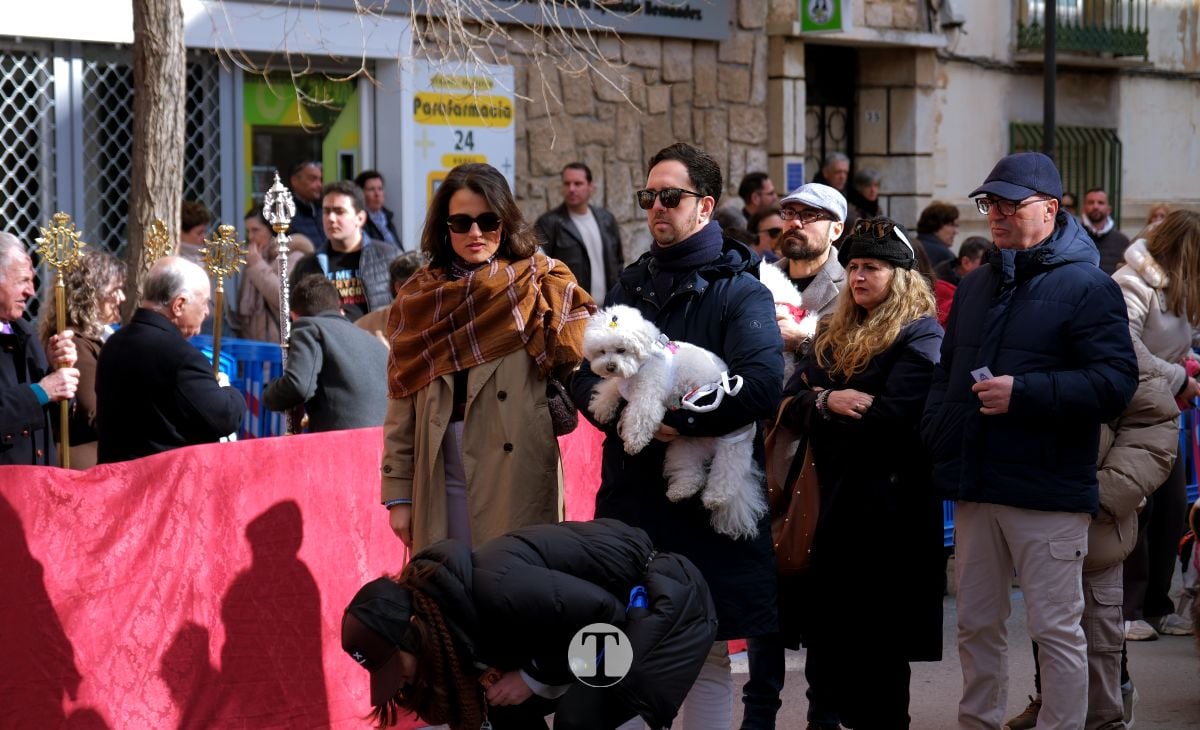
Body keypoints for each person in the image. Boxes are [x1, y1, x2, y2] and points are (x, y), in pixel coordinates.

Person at [568, 142, 782, 728]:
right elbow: (594, 374)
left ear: (705, 206)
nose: (656, 207)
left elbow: (763, 382)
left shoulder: (742, 290)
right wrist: (616, 413)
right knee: (625, 653)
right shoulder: (630, 284)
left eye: (670, 196)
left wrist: (678, 420)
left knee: (708, 656)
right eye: (648, 197)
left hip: (704, 503)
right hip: (632, 501)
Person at [923, 152, 1138, 730]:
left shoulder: (1090, 287)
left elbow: (1116, 384)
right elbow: (946, 374)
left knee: (1055, 630)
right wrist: (938, 438)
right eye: (989, 202)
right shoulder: (976, 285)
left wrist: (1027, 392)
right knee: (975, 624)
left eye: (1010, 203)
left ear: (1050, 207)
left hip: (1047, 489)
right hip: (977, 484)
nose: (995, 214)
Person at [774, 217, 944, 728]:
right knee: (827, 642)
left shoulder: (922, 333)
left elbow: (895, 416)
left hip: (890, 515)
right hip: (829, 504)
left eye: (872, 266)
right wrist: (829, 399)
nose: (858, 277)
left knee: (882, 650)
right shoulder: (832, 330)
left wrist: (822, 402)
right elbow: (791, 398)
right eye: (851, 267)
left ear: (901, 274)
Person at [381, 162, 594, 551]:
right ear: (444, 228)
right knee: (448, 590)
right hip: (439, 467)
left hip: (518, 469)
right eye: (460, 223)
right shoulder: (417, 298)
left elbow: (582, 362)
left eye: (487, 221)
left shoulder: (543, 282)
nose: (475, 233)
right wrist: (399, 493)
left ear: (506, 222)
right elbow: (401, 399)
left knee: (514, 589)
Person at [341, 519, 718, 730]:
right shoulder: (446, 614)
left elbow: (606, 615)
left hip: (661, 600)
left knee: (579, 720)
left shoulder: (495, 587)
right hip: (610, 623)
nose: (400, 681)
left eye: (395, 666)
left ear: (411, 628)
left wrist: (532, 677)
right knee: (501, 704)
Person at [1004, 345, 1179, 730]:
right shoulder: (1021, 323)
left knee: (1099, 627)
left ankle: (1111, 704)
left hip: (1096, 511)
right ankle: (1050, 697)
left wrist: (1102, 495)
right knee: (1046, 619)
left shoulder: (1106, 325)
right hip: (1037, 504)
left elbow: (1153, 422)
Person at [745, 181, 848, 730]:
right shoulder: (756, 279)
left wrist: (801, 339)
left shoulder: (851, 286)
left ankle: (822, 717)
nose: (796, 223)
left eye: (811, 215)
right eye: (789, 213)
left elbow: (859, 351)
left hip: (822, 457)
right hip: (756, 453)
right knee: (763, 588)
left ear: (836, 229)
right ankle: (758, 714)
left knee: (819, 592)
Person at [1113, 209, 1200, 641]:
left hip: (1163, 408)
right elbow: (1125, 348)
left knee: (1170, 513)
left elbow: (1175, 347)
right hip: (1132, 412)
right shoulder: (1133, 281)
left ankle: (1158, 604)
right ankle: (1127, 610)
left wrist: (1187, 370)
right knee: (1138, 513)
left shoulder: (1178, 285)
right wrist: (1183, 377)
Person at [95, 256, 244, 463]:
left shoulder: (113, 344)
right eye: (204, 303)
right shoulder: (181, 357)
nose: (207, 311)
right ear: (179, 305)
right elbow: (223, 417)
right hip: (161, 483)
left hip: (117, 482)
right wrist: (229, 391)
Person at [262, 275, 388, 432]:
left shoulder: (309, 327)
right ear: (339, 308)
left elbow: (298, 385)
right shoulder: (374, 341)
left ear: (294, 316)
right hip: (382, 444)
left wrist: (268, 393)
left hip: (342, 443)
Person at [36, 249, 125, 469]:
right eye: (116, 290)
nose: (121, 298)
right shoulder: (75, 342)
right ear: (93, 295)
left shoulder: (99, 337)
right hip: (88, 463)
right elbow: (93, 413)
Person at [0, 232, 78, 466]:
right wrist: (41, 392)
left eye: (32, 280)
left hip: (37, 485)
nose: (31, 291)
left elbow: (53, 420)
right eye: (23, 281)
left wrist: (58, 373)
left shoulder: (26, 332)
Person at [290, 180, 402, 322]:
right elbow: (294, 316)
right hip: (329, 342)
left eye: (339, 211)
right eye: (326, 211)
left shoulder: (389, 257)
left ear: (360, 218)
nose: (331, 218)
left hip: (376, 341)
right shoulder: (307, 266)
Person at [534, 162, 624, 300]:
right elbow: (540, 269)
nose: (571, 189)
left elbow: (618, 262)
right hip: (573, 309)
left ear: (590, 186)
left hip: (608, 308)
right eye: (567, 183)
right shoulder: (548, 223)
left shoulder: (606, 219)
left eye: (578, 183)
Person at [229, 205, 312, 343]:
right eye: (248, 231)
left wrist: (257, 266)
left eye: (255, 230)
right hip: (253, 346)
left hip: (279, 346)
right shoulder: (255, 257)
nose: (251, 237)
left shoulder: (294, 256)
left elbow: (284, 299)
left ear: (272, 229)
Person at [355, 251, 423, 342]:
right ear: (400, 287)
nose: (433, 289)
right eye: (423, 283)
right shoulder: (363, 329)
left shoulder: (443, 321)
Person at [1081, 187, 1131, 275]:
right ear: (1084, 208)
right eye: (1091, 202)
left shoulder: (1122, 241)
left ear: (1109, 209)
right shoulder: (1072, 237)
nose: (1095, 206)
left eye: (1101, 203)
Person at [354, 170, 402, 248]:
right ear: (361, 193)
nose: (377, 194)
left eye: (380, 189)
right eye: (371, 189)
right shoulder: (359, 222)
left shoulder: (387, 217)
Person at [287, 160, 328, 249]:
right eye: (312, 179)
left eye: (320, 179)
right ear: (294, 181)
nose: (319, 185)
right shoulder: (284, 212)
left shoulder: (324, 209)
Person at [914, 200, 959, 269]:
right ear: (935, 225)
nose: (955, 231)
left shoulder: (913, 246)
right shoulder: (944, 255)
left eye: (956, 226)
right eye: (951, 225)